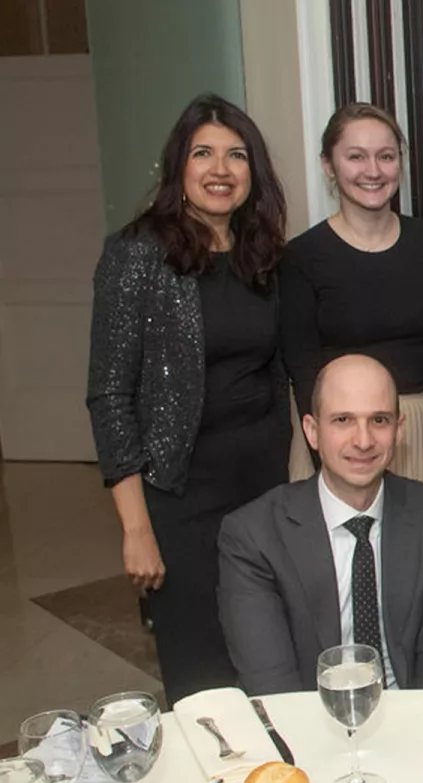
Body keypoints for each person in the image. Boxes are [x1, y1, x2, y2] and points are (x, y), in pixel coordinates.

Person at [86, 94, 290, 704]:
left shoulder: (264, 256)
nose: (220, 169)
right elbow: (108, 396)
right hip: (180, 499)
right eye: (204, 153)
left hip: (265, 490)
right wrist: (136, 527)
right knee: (203, 677)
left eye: (236, 155)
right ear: (178, 165)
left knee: (270, 660)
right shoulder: (137, 254)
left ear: (254, 172)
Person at [217, 355, 423, 694]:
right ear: (312, 431)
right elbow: (273, 688)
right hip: (307, 726)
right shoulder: (254, 536)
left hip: (415, 720)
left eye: (379, 420)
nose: (364, 441)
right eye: (343, 420)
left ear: (399, 430)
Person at [280, 103, 423, 490]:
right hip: (339, 437)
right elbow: (302, 367)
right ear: (328, 165)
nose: (373, 171)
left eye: (386, 156)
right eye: (356, 157)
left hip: (420, 432)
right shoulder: (301, 258)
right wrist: (327, 459)